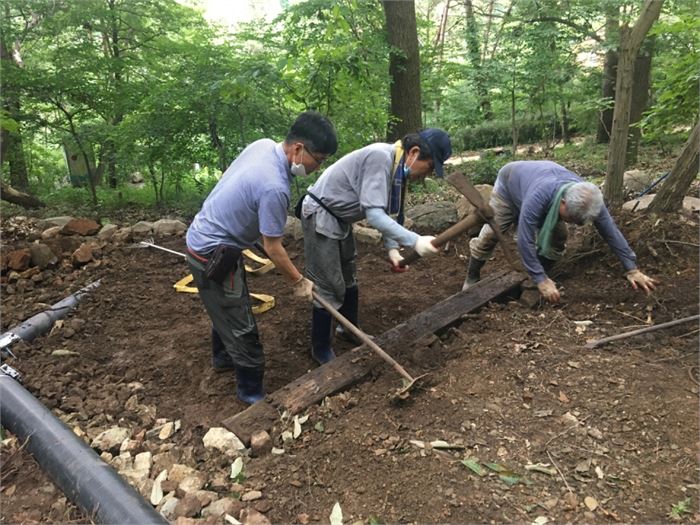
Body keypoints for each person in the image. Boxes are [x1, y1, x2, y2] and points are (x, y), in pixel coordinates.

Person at [186, 111, 337, 404]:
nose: (318, 168)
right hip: (212, 252)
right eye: (318, 159)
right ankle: (251, 391)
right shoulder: (274, 187)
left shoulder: (263, 145)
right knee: (241, 322)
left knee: (226, 304)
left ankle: (222, 358)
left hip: (210, 238)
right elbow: (273, 248)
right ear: (298, 149)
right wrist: (299, 281)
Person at [299, 128, 452, 364]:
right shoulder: (380, 158)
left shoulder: (396, 168)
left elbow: (389, 212)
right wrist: (415, 241)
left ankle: (349, 330)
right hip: (320, 215)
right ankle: (320, 348)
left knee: (349, 275)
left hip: (340, 220)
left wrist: (392, 249)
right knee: (328, 283)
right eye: (430, 166)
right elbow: (374, 216)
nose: (427, 174)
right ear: (414, 152)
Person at [462, 160, 658, 302]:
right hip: (510, 184)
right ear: (563, 203)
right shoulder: (539, 196)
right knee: (488, 236)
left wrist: (631, 268)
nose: (574, 224)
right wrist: (541, 280)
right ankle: (472, 277)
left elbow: (611, 232)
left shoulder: (591, 199)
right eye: (571, 219)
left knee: (559, 237)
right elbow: (525, 237)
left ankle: (537, 276)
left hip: (540, 181)